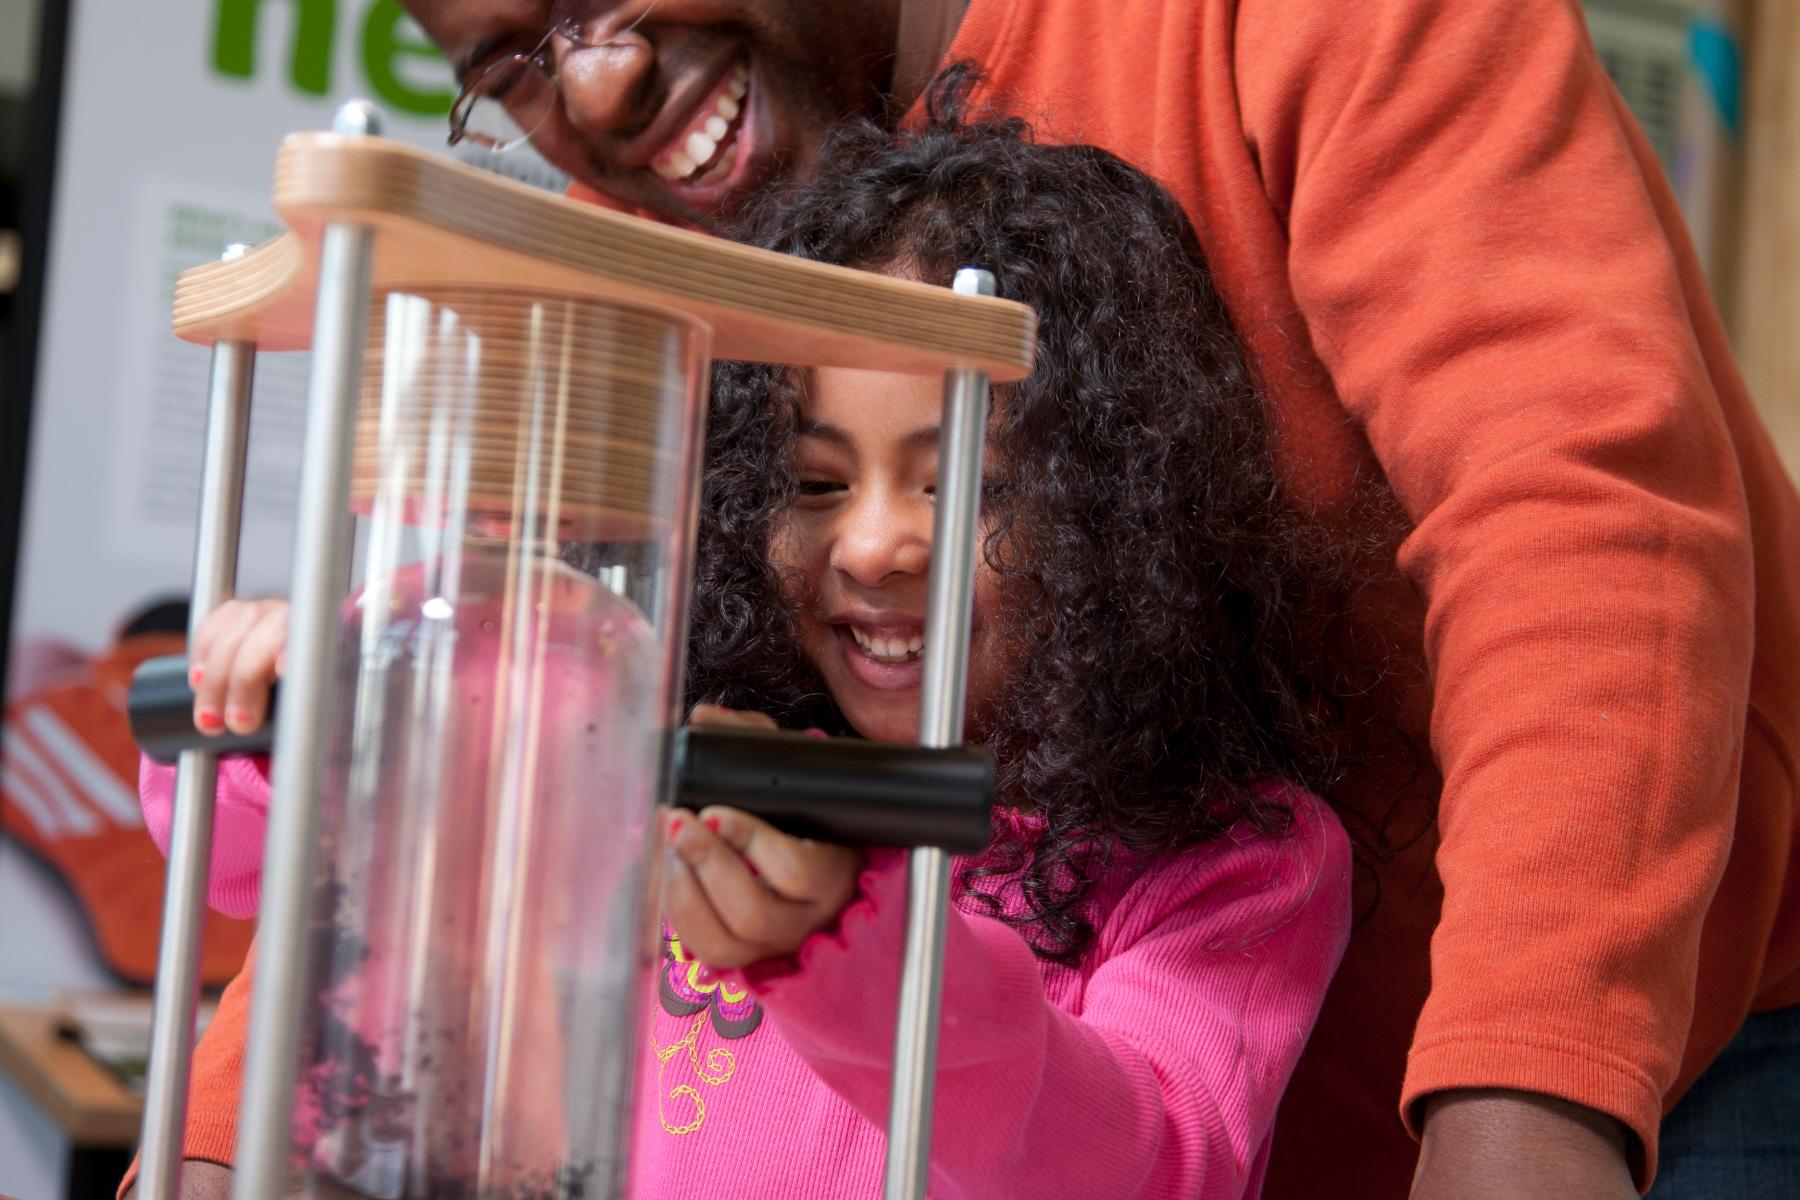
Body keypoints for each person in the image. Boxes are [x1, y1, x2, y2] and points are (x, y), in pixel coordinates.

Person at [156, 1, 1800, 1196]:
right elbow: (428, 803)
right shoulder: (647, 232)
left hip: (1601, 1054)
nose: (592, 79)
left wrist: (1526, 1114)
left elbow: (1574, 504)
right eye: (508, 63)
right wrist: (218, 1142)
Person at [133, 96, 1361, 1198]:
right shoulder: (663, 723)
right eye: (815, 481)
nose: (873, 546)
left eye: (966, 487)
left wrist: (848, 943)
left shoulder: (1232, 861)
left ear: (1122, 507)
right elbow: (242, 862)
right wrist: (315, 711)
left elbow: (1157, 1162)